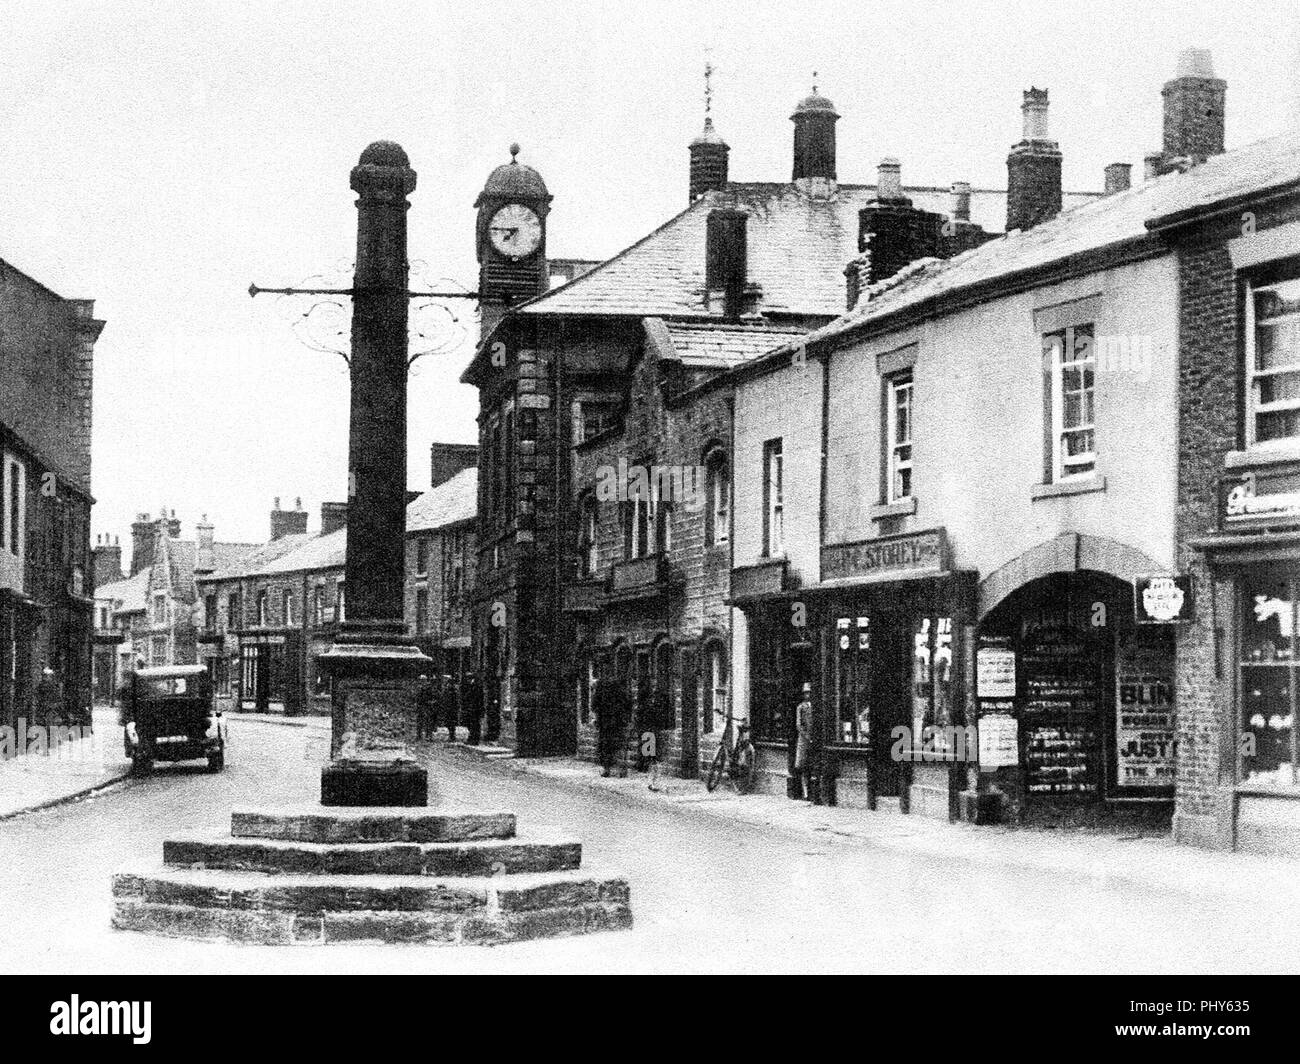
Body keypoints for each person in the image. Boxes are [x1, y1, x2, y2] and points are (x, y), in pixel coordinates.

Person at [794, 682, 814, 801]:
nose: (808, 695)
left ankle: (812, 791)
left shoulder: (814, 706)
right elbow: (798, 724)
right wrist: (807, 736)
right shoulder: (801, 707)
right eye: (806, 693)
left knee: (811, 765)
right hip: (804, 739)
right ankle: (805, 792)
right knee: (803, 765)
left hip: (813, 738)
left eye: (809, 692)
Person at [462, 674, 484, 746]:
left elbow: (479, 699)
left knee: (475, 725)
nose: (467, 680)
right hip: (471, 709)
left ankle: (475, 740)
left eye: (468, 679)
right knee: (471, 724)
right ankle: (472, 739)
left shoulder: (476, 686)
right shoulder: (471, 686)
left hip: (475, 709)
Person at [414, 674, 435, 741]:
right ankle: (419, 735)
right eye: (420, 680)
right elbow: (417, 697)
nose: (421, 681)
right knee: (419, 721)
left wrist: (431, 702)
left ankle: (428, 736)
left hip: (427, 706)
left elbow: (433, 696)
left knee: (428, 721)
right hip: (420, 706)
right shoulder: (419, 688)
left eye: (422, 680)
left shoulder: (429, 687)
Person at [439, 673, 459, 741]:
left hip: (451, 708)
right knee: (448, 722)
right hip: (447, 707)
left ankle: (452, 736)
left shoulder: (452, 689)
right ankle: (451, 735)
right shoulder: (446, 687)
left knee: (451, 722)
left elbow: (454, 699)